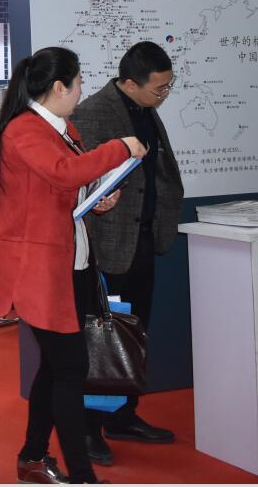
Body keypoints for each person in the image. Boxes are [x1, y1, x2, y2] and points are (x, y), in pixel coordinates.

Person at [0, 46, 145, 486]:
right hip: (40, 270)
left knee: (57, 368)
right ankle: (82, 475)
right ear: (59, 87)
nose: (80, 91)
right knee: (69, 369)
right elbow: (62, 172)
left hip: (70, 262)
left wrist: (100, 194)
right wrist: (119, 148)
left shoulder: (61, 127)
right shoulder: (24, 130)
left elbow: (70, 181)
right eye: (78, 83)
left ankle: (33, 458)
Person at [74, 41, 183, 464]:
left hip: (143, 240)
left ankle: (122, 415)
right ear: (131, 83)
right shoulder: (94, 112)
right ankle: (87, 428)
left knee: (134, 334)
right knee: (102, 339)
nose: (165, 95)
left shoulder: (144, 108)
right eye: (160, 89)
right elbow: (85, 180)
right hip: (109, 246)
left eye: (169, 86)